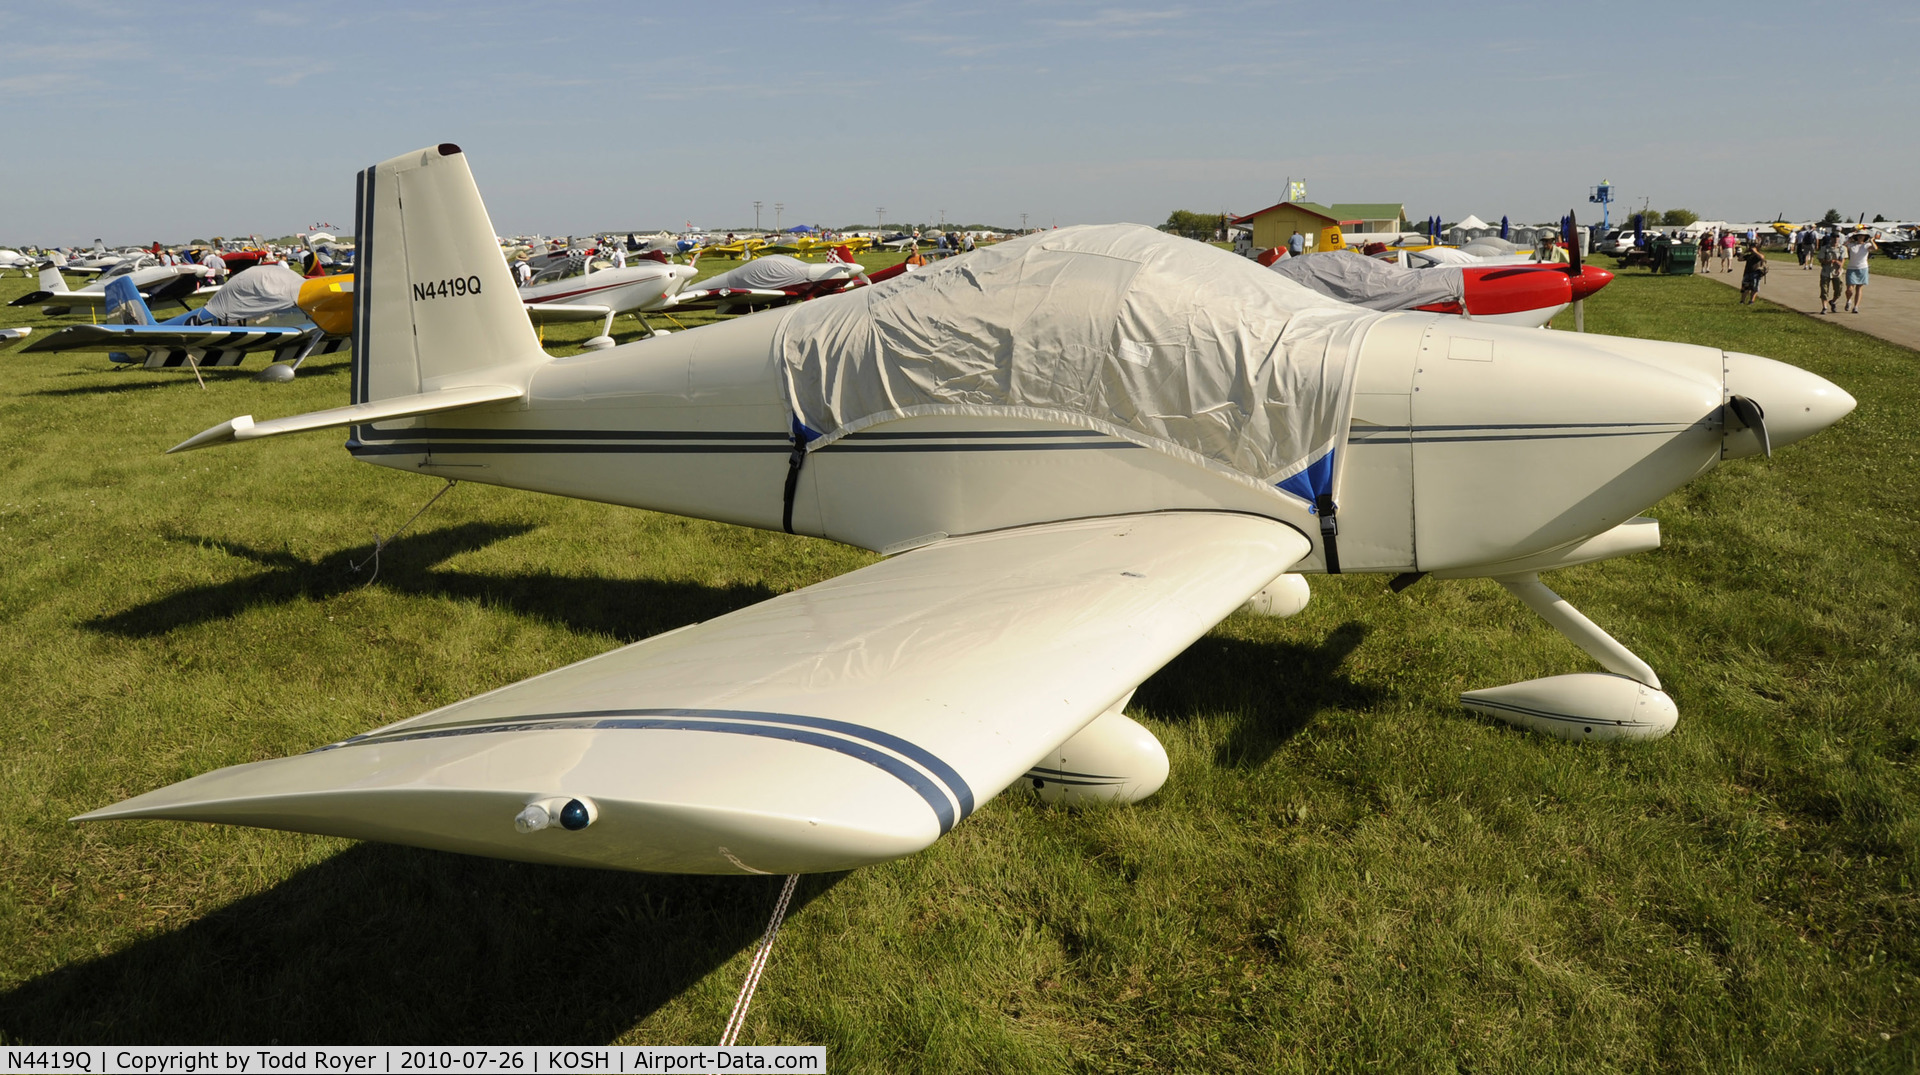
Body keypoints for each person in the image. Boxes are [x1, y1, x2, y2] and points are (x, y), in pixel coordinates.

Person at [1843, 231, 1879, 313]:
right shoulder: (1852, 245)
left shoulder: (1866, 245)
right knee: (1849, 289)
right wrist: (1849, 240)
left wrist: (1872, 241)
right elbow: (1842, 247)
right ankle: (1849, 300)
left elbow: (1875, 248)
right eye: (1859, 236)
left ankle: (1856, 306)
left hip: (1862, 268)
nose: (1860, 237)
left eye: (1862, 236)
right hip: (1851, 268)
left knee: (1859, 288)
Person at [1816, 233, 1844, 313]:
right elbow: (1820, 259)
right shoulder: (1825, 248)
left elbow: (1843, 260)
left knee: (1839, 289)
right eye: (1834, 237)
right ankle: (1824, 307)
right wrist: (1830, 261)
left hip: (1837, 272)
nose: (1835, 239)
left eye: (1837, 237)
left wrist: (1840, 267)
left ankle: (1833, 301)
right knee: (1824, 289)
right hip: (1826, 271)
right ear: (1830, 238)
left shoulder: (1842, 248)